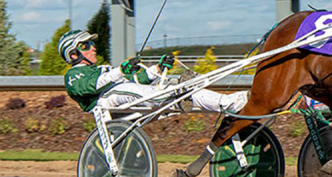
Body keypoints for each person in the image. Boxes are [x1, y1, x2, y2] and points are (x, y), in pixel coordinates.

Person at [59, 29, 248, 114]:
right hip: (104, 99)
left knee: (184, 89)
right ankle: (173, 92)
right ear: (73, 54)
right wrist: (120, 71)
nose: (93, 48)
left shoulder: (102, 69)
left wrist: (157, 69)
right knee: (145, 91)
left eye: (92, 44)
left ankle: (228, 103)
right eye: (86, 45)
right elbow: (90, 86)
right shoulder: (73, 76)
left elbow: (138, 79)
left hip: (123, 91)